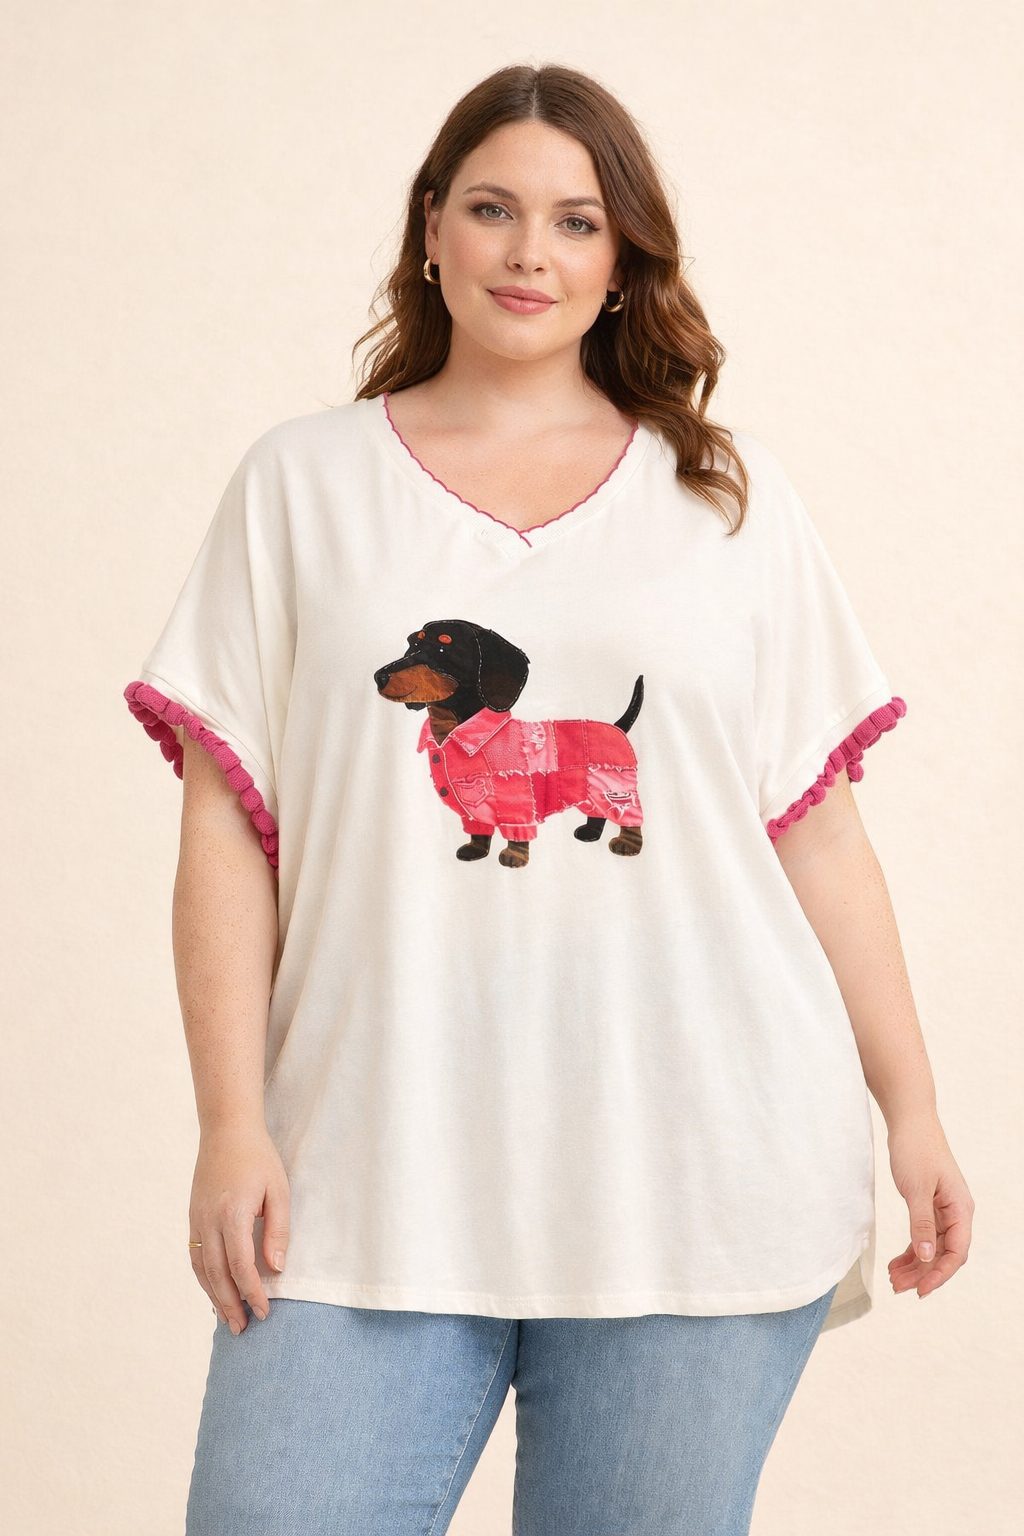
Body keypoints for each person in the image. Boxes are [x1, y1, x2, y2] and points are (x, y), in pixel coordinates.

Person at [123, 62, 974, 1536]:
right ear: (430, 229)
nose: (531, 253)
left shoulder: (727, 500)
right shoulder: (300, 487)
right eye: (493, 209)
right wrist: (229, 1124)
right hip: (363, 1170)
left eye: (578, 221)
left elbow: (818, 825)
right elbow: (224, 829)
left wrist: (915, 1109)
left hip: (696, 1173)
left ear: (624, 258)